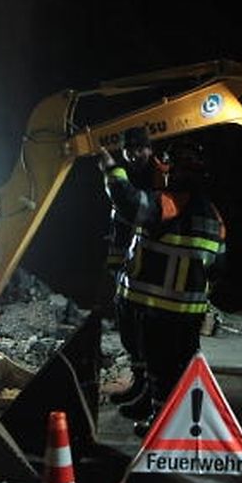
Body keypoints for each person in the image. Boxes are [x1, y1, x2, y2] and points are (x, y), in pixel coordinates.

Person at [100, 138, 226, 436]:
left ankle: (163, 424)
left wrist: (111, 170)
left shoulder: (171, 203)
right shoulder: (213, 214)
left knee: (163, 372)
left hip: (163, 307)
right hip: (187, 309)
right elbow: (219, 267)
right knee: (171, 369)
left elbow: (131, 203)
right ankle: (158, 410)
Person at [104, 126, 155, 412]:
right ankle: (139, 384)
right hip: (127, 271)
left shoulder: (156, 178)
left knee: (145, 335)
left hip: (147, 272)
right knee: (129, 333)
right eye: (130, 148)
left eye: (141, 148)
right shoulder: (124, 177)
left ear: (150, 148)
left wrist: (112, 173)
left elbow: (136, 209)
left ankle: (149, 393)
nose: (135, 153)